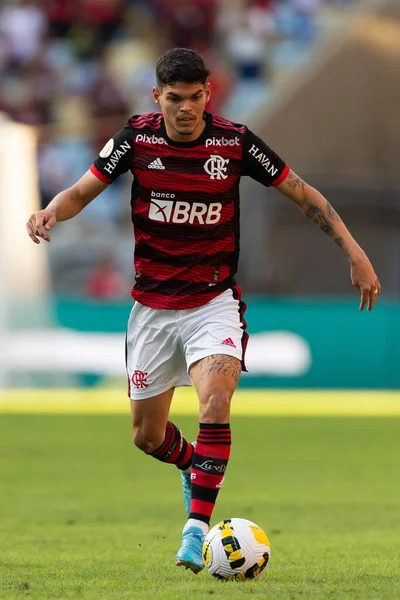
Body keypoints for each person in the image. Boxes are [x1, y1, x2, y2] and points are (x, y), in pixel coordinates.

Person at [26, 47, 381, 574]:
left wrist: (353, 251)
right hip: (151, 307)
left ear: (207, 95)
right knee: (147, 436)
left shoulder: (235, 143)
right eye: (175, 99)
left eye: (195, 98)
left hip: (213, 302)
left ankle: (195, 531)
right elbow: (82, 190)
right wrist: (51, 210)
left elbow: (302, 194)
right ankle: (194, 464)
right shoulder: (135, 139)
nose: (186, 109)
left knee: (216, 402)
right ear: (157, 97)